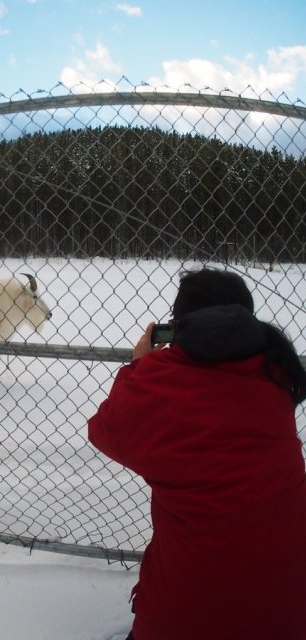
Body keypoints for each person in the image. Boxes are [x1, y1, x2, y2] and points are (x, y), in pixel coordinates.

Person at [87, 268, 306, 640]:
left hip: (186, 617)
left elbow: (105, 430)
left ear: (178, 323)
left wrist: (139, 366)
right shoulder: (275, 371)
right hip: (291, 609)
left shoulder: (164, 375)